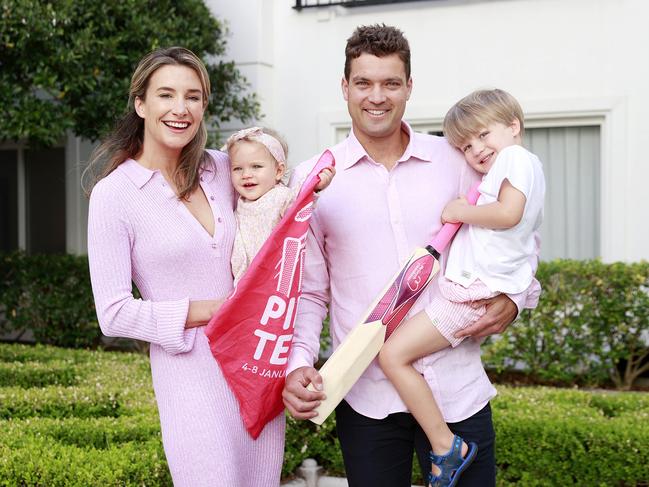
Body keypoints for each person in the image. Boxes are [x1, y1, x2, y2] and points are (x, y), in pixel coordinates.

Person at [282, 25, 541, 487]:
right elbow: (309, 291)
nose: (376, 96)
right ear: (345, 88)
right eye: (363, 83)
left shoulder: (458, 159)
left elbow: (516, 232)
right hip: (366, 396)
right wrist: (299, 362)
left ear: (409, 87)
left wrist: (516, 300)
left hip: (455, 388)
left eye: (390, 83)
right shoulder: (314, 179)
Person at [84, 47, 284, 486]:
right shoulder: (114, 195)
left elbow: (277, 215)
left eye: (193, 96)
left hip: (255, 368)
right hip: (190, 377)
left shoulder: (223, 168)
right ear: (141, 104)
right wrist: (218, 309)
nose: (180, 109)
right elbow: (113, 312)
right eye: (166, 95)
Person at [378, 88, 545, 487]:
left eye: (484, 135)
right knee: (402, 356)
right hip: (474, 290)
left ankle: (446, 445)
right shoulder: (504, 170)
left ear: (513, 127)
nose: (477, 150)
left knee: (392, 356)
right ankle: (444, 441)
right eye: (467, 145)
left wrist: (460, 211)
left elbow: (508, 214)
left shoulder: (516, 159)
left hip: (469, 294)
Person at [223, 126, 334, 284]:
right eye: (237, 168)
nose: (246, 175)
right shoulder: (239, 201)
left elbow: (297, 205)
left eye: (256, 166)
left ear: (278, 171)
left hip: (271, 282)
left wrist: (314, 186)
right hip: (243, 285)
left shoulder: (279, 196)